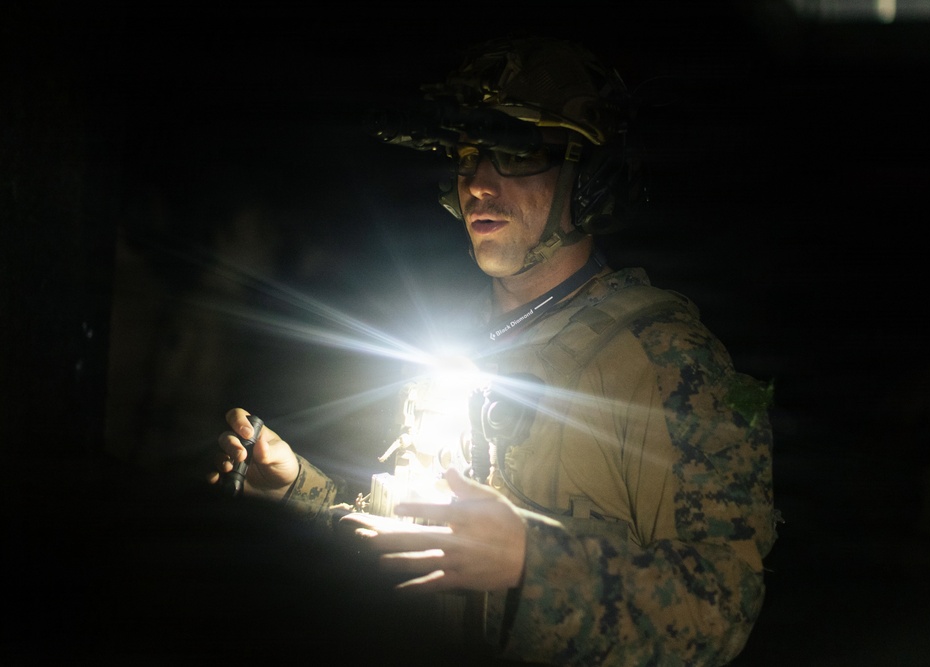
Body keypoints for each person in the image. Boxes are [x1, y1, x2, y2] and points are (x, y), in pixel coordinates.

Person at [207, 35, 778, 666]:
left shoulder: (665, 359)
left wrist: (532, 564)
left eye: (515, 153)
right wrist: (301, 492)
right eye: (468, 155)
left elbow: (721, 609)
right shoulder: (458, 340)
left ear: (588, 179)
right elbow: (429, 545)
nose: (478, 184)